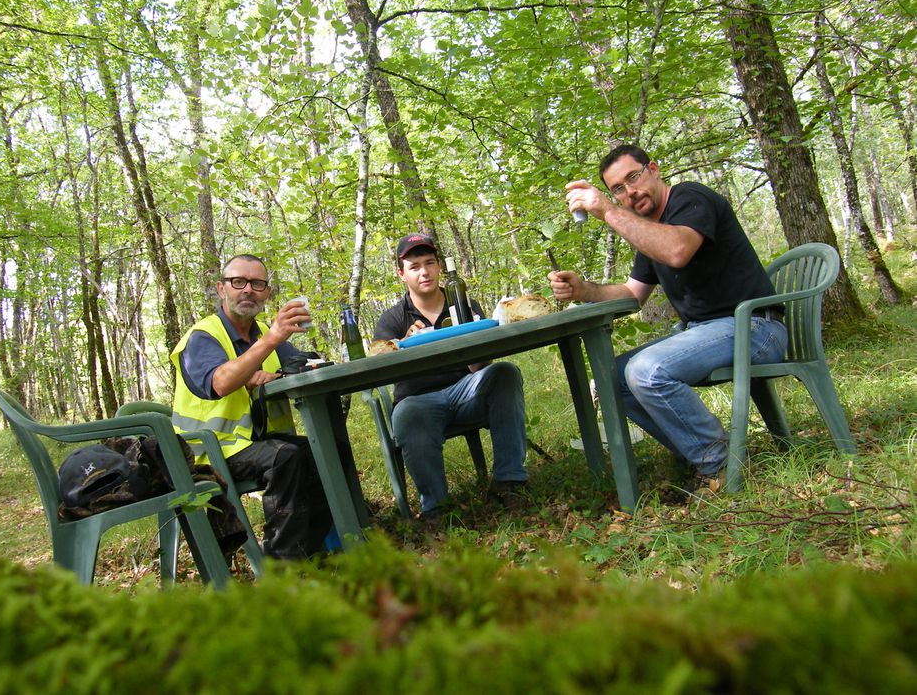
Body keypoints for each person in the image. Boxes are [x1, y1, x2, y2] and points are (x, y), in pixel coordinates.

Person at [548, 144, 788, 493]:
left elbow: (677, 251)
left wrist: (607, 210)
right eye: (618, 189)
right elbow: (632, 294)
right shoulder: (648, 229)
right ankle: (701, 453)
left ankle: (723, 465)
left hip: (756, 328)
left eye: (634, 177)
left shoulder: (691, 199)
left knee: (647, 371)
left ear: (654, 170)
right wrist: (583, 289)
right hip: (710, 333)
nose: (629, 193)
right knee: (612, 378)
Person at [171, 254, 348, 560]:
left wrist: (276, 373)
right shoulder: (202, 336)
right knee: (286, 457)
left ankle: (318, 549)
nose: (248, 290)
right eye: (238, 282)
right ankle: (282, 563)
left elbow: (303, 366)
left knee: (328, 449)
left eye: (257, 283)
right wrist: (272, 338)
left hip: (253, 441)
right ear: (221, 289)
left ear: (267, 292)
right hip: (205, 450)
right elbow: (219, 383)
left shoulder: (263, 332)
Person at [373, 234, 529, 519]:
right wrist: (403, 345)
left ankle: (509, 481)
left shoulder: (463, 303)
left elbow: (479, 367)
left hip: (466, 391)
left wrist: (478, 338)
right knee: (407, 413)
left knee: (504, 373)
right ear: (401, 273)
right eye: (415, 266)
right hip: (418, 400)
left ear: (440, 266)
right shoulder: (393, 319)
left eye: (430, 263)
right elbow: (379, 363)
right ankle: (436, 509)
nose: (424, 272)